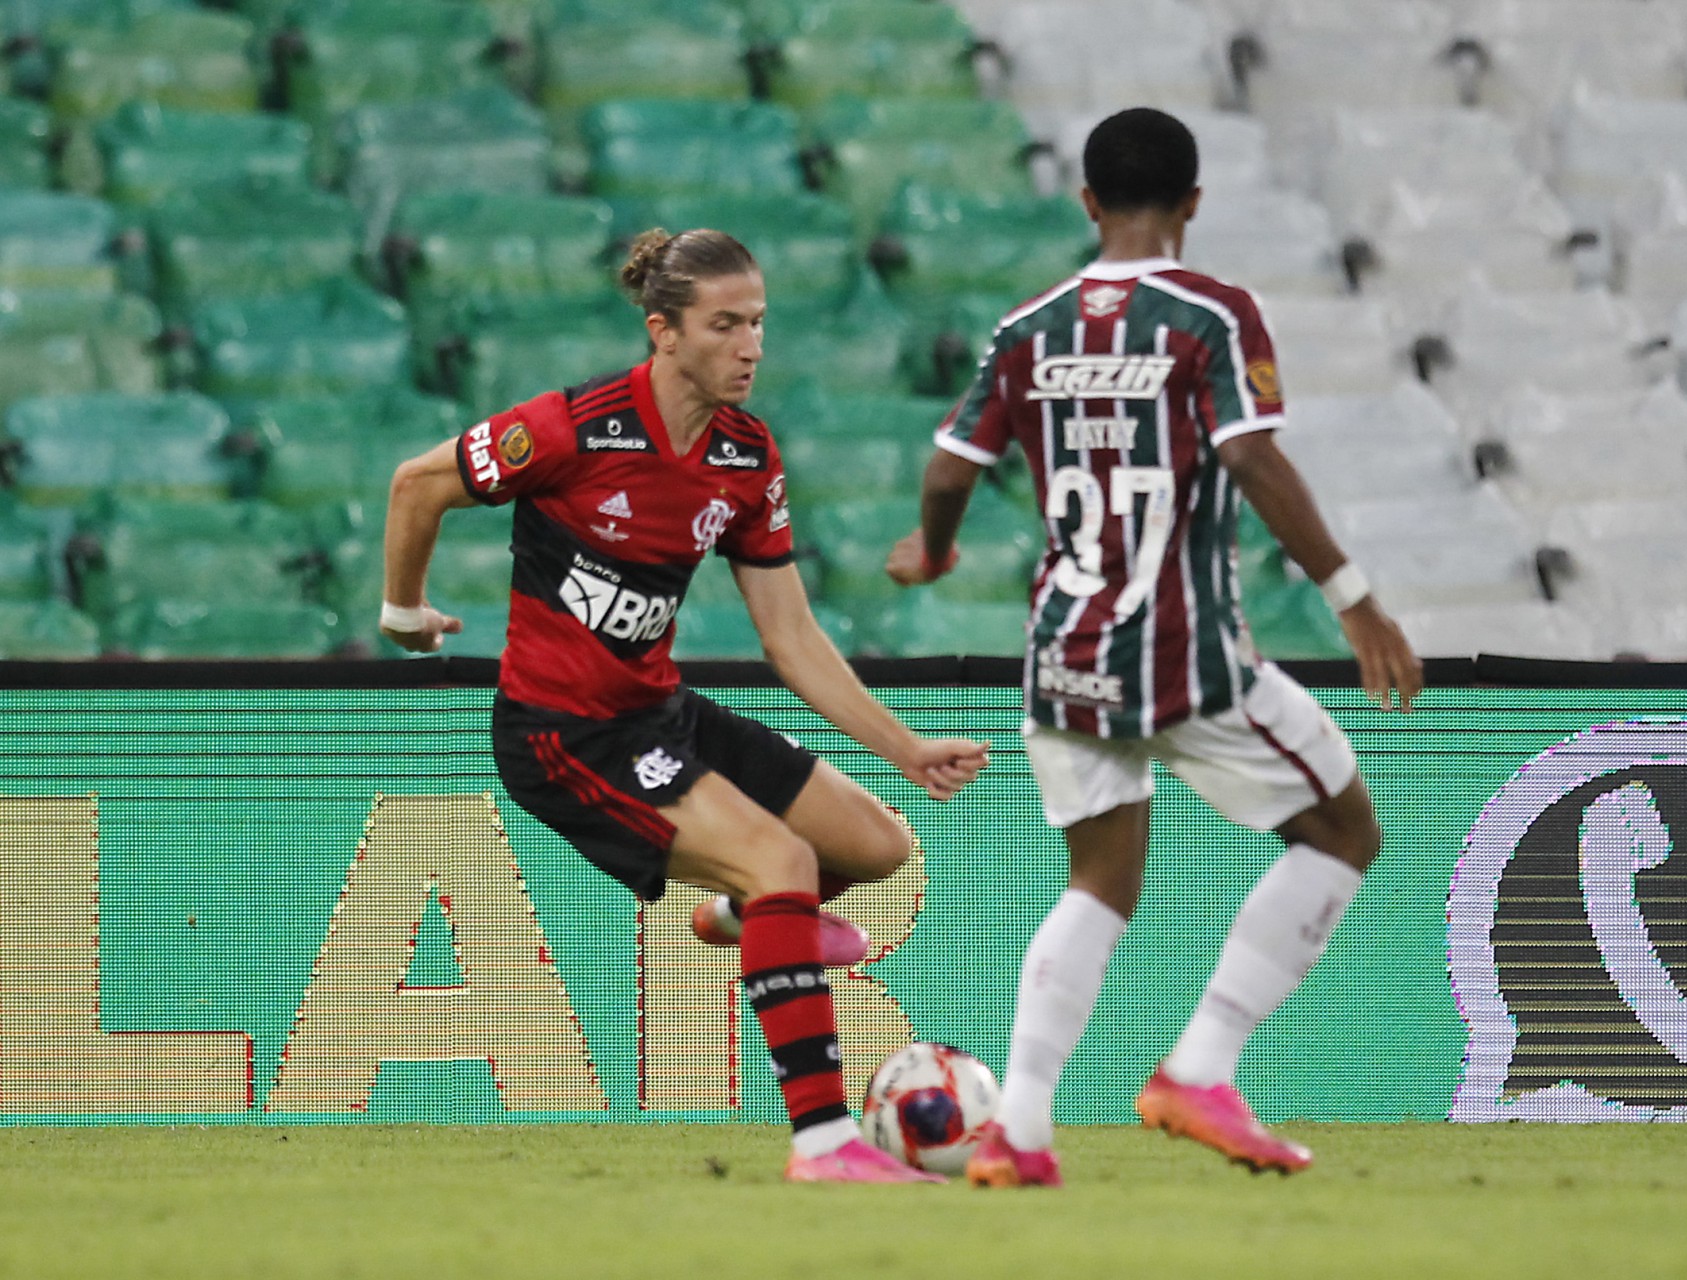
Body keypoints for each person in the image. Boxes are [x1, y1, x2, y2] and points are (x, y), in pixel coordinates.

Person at [886, 107, 1423, 1187]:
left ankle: (1022, 1133)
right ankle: (1200, 1064)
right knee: (1344, 830)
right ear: (1193, 203)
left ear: (1087, 202)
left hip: (1061, 651)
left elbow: (950, 467)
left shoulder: (1025, 328)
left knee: (1099, 878)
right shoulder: (1211, 313)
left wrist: (935, 549)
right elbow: (1256, 459)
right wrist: (1352, 596)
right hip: (1181, 651)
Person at [382, 227, 988, 1184]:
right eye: (725, 325)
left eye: (758, 323)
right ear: (663, 332)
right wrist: (403, 610)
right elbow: (417, 483)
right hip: (563, 733)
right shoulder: (571, 428)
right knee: (782, 859)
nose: (751, 346)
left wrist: (903, 746)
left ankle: (743, 917)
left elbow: (789, 635)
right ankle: (825, 1144)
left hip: (659, 711)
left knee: (877, 846)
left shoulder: (746, 457)